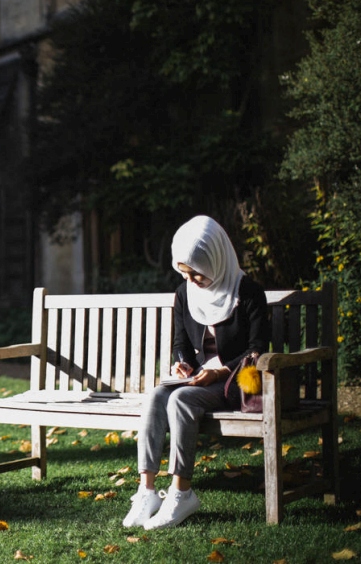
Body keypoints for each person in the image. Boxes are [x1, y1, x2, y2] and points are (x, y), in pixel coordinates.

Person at [122, 215, 269, 530]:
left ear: (215, 260)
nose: (191, 281)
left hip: (237, 381)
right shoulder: (184, 294)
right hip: (200, 379)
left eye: (197, 274)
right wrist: (182, 362)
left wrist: (217, 373)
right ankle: (147, 490)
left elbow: (257, 351)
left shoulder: (249, 293)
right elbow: (181, 342)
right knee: (156, 396)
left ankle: (181, 492)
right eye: (184, 273)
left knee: (181, 400)